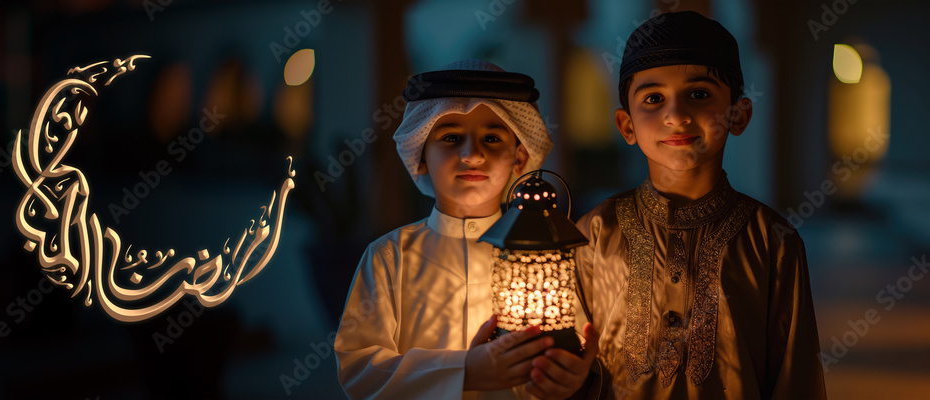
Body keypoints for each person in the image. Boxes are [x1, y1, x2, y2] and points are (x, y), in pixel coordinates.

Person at [574, 11, 827, 398]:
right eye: (653, 98)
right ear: (626, 125)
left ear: (738, 115)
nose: (676, 116)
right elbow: (569, 372)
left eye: (698, 94)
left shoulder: (773, 240)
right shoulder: (594, 233)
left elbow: (797, 381)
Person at [335, 60, 599, 399]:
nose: (472, 154)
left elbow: (567, 346)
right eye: (451, 137)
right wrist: (466, 371)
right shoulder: (389, 257)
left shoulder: (544, 261)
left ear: (519, 158)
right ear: (421, 156)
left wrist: (569, 378)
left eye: (491, 137)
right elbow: (359, 367)